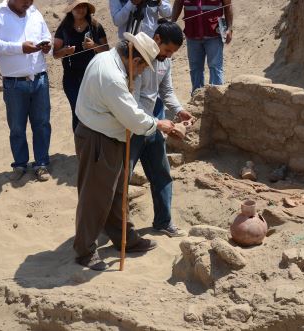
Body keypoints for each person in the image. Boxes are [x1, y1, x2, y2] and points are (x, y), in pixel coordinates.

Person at [74, 32, 176, 271]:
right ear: (135, 60)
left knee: (116, 192)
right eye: (142, 68)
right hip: (98, 139)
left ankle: (125, 239)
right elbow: (131, 116)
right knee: (95, 197)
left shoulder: (108, 60)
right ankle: (84, 251)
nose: (141, 74)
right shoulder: (111, 75)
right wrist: (158, 124)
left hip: (108, 136)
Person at [131, 20, 194, 237]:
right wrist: (157, 123)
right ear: (157, 39)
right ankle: (114, 228)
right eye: (167, 50)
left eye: (173, 52)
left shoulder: (165, 62)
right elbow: (133, 100)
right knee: (120, 180)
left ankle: (163, 222)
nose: (168, 55)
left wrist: (179, 110)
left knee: (161, 173)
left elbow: (166, 90)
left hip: (152, 125)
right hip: (131, 126)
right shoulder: (139, 57)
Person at [0, 0, 53, 182]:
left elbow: (47, 35)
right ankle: (20, 164)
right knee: (17, 127)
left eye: (31, 0)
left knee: (42, 124)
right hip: (14, 83)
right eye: (25, 0)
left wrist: (46, 45)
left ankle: (41, 163)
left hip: (40, 78)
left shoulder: (34, 11)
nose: (29, 3)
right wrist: (19, 48)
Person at [53, 0, 109, 132]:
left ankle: (91, 144)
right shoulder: (64, 28)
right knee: (77, 109)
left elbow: (107, 50)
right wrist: (65, 51)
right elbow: (55, 54)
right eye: (77, 7)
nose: (81, 9)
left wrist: (93, 46)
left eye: (83, 6)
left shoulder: (95, 26)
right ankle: (81, 145)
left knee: (93, 110)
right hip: (71, 77)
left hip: (93, 76)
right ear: (71, 9)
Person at [172, 0, 233, 93]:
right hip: (192, 35)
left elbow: (228, 6)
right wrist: (173, 22)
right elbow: (178, 3)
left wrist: (229, 28)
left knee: (215, 66)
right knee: (195, 68)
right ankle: (197, 97)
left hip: (214, 35)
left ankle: (216, 99)